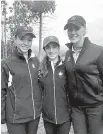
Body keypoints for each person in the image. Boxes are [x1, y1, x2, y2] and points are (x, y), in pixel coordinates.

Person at [64, 15, 103, 134]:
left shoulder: (98, 51)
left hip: (95, 107)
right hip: (76, 109)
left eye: (76, 28)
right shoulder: (67, 54)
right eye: (70, 29)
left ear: (84, 30)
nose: (73, 32)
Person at [1, 26, 42, 134]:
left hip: (34, 117)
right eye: (22, 39)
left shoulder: (35, 61)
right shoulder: (6, 64)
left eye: (29, 40)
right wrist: (2, 121)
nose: (26, 43)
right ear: (15, 40)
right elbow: (1, 93)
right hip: (16, 120)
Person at [38, 36, 71, 134]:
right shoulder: (41, 70)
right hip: (48, 118)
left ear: (58, 48)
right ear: (45, 50)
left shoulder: (66, 67)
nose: (51, 50)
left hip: (65, 117)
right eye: (48, 48)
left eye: (54, 47)